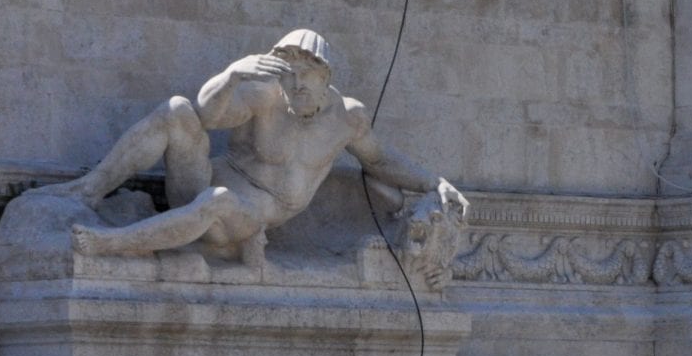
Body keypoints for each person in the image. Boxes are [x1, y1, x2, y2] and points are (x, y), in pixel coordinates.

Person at [52, 29, 442, 264]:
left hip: (241, 221)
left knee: (216, 201)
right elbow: (204, 115)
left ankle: (115, 243)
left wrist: (434, 184)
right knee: (175, 111)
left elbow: (381, 160)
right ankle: (87, 191)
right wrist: (233, 74)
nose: (296, 85)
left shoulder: (348, 119)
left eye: (306, 76)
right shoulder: (266, 97)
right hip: (196, 188)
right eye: (288, 76)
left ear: (326, 77)